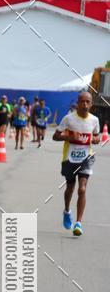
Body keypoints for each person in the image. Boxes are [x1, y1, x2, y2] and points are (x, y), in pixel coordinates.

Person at [53, 90, 100, 236]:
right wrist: (68, 136)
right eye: (82, 101)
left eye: (88, 102)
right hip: (70, 158)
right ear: (78, 103)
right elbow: (55, 136)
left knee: (82, 189)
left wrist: (95, 140)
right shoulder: (68, 119)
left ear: (91, 104)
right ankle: (67, 211)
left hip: (86, 157)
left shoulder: (94, 120)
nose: (85, 104)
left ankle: (78, 223)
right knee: (70, 189)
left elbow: (97, 136)